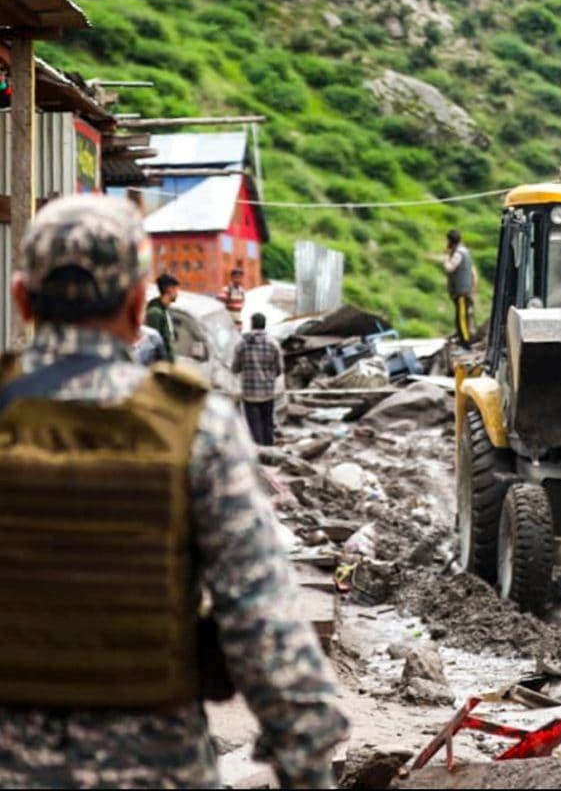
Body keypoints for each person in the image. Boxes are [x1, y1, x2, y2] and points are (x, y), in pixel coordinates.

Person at [0, 195, 348, 788]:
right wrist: (305, 761)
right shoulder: (196, 427)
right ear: (139, 307)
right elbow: (263, 623)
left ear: (22, 300)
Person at [233, 312, 284, 447]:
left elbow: (235, 368)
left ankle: (259, 457)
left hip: (250, 395)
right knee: (268, 425)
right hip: (267, 393)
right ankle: (270, 453)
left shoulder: (242, 344)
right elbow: (279, 369)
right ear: (264, 325)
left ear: (252, 325)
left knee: (254, 428)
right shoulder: (273, 344)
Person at [443, 229, 475, 346]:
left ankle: (465, 341)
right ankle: (462, 337)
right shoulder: (465, 251)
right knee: (462, 315)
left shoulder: (458, 254)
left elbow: (449, 268)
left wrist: (446, 256)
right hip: (466, 289)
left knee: (461, 317)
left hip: (461, 290)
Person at [144, 271, 180, 362]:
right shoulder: (155, 313)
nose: (177, 293)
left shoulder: (164, 310)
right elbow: (153, 347)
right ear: (169, 289)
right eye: (176, 289)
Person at [218, 267, 246, 331]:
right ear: (232, 278)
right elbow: (220, 306)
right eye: (236, 277)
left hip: (238, 323)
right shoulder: (227, 290)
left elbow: (240, 307)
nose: (238, 279)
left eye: (240, 277)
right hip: (228, 323)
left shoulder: (241, 291)